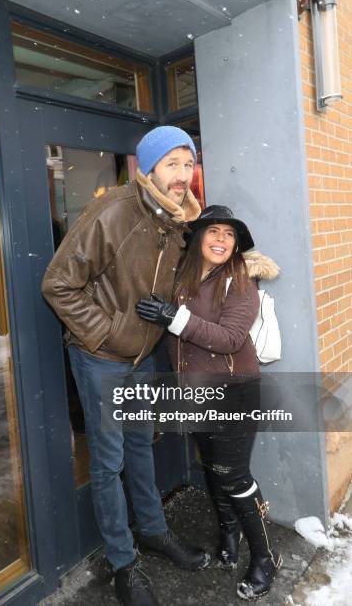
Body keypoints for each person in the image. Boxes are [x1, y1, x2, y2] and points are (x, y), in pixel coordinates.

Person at [42, 126, 210, 606]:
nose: (182, 175)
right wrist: (110, 334)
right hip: (102, 358)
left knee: (141, 449)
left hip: (143, 356)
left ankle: (154, 532)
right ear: (149, 167)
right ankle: (123, 562)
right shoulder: (115, 211)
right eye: (172, 164)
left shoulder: (180, 222)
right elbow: (58, 284)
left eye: (187, 163)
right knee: (109, 461)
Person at [136, 205, 282, 601]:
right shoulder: (181, 276)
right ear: (198, 237)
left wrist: (174, 318)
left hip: (235, 390)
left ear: (236, 245)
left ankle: (265, 557)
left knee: (232, 475)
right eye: (213, 231)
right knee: (213, 469)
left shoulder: (240, 279)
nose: (221, 240)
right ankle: (229, 534)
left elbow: (231, 338)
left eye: (229, 234)